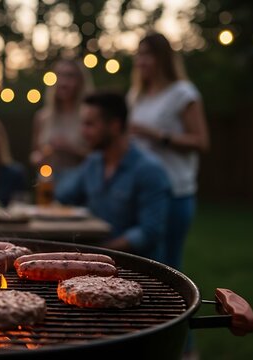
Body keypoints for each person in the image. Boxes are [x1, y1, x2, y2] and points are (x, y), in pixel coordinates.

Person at [55, 92, 171, 261]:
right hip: (96, 258)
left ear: (115, 126)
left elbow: (149, 232)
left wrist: (103, 251)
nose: (83, 132)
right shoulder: (93, 162)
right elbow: (65, 196)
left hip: (136, 263)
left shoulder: (149, 170)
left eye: (90, 125)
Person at [128, 32, 209, 270]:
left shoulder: (183, 93)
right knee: (143, 263)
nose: (141, 61)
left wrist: (155, 134)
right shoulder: (136, 95)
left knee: (168, 265)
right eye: (139, 55)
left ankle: (173, 308)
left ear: (163, 59)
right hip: (142, 191)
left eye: (148, 55)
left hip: (174, 191)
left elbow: (201, 141)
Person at [30, 58, 93, 176]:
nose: (63, 82)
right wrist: (40, 157)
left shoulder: (88, 117)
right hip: (49, 185)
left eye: (70, 76)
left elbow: (99, 157)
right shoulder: (42, 117)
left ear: (80, 81)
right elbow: (35, 153)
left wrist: (70, 149)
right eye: (59, 76)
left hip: (82, 183)